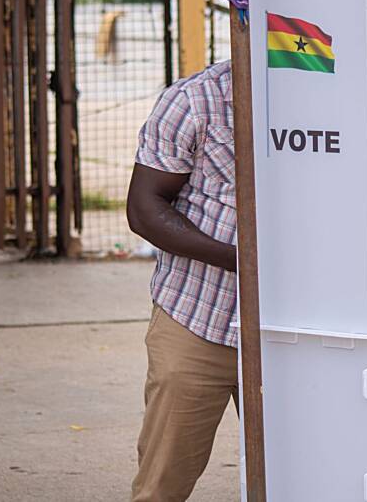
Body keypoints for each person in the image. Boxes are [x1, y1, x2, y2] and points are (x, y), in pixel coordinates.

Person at [126, 60, 238, 502]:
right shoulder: (193, 100)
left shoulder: (330, 94)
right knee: (162, 485)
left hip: (293, 330)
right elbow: (144, 208)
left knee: (302, 476)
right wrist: (244, 262)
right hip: (197, 319)